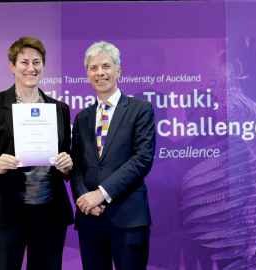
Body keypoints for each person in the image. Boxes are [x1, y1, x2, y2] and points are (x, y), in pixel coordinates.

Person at [0, 36, 73, 270]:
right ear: (12, 66)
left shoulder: (59, 109)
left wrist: (67, 166)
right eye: (24, 62)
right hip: (4, 212)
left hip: (49, 213)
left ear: (43, 66)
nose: (31, 68)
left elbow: (66, 158)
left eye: (37, 62)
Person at [71, 41, 156, 270]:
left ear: (119, 70)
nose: (100, 73)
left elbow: (142, 159)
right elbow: (76, 166)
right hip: (90, 219)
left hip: (128, 219)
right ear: (87, 74)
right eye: (93, 68)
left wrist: (101, 194)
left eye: (106, 66)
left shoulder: (140, 110)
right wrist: (84, 200)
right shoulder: (82, 117)